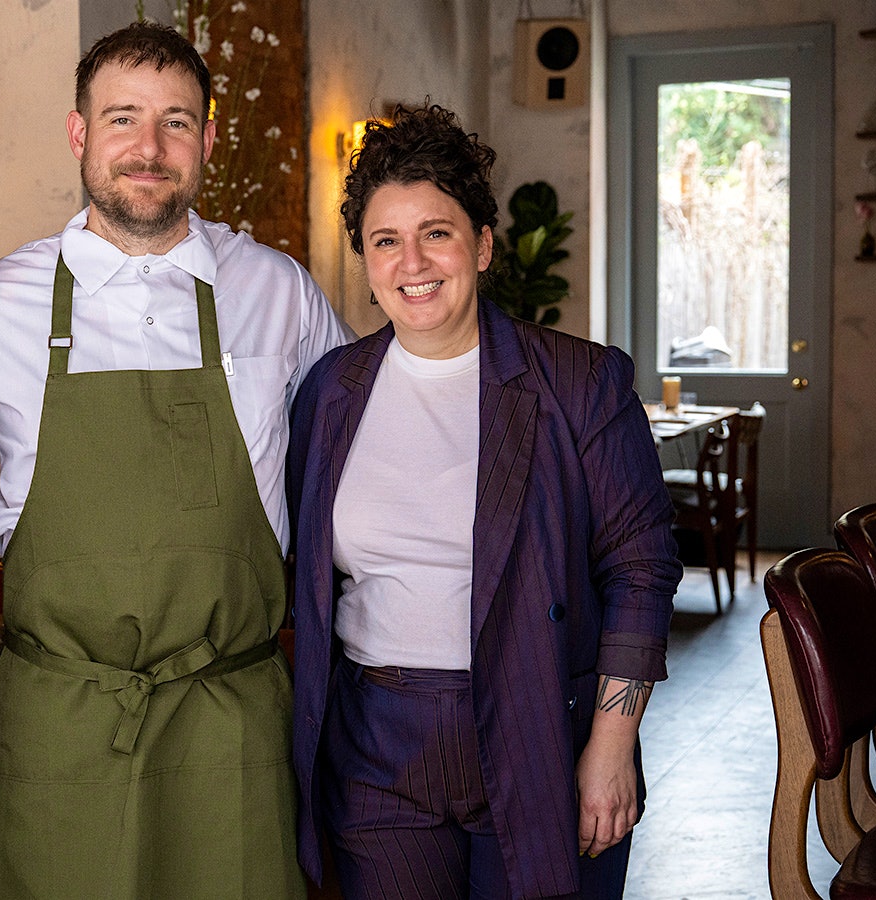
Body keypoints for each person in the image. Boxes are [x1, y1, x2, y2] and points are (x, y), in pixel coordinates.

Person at [0, 21, 351, 900]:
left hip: (230, 725)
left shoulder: (278, 293)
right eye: (122, 117)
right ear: (79, 133)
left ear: (208, 140)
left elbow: (362, 468)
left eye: (176, 121)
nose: (149, 147)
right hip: (63, 725)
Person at [286, 103, 681, 899]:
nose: (412, 261)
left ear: (484, 244)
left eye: (437, 231)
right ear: (363, 260)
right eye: (385, 240)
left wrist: (609, 749)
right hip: (374, 746)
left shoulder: (578, 382)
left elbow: (641, 571)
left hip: (537, 728)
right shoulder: (331, 391)